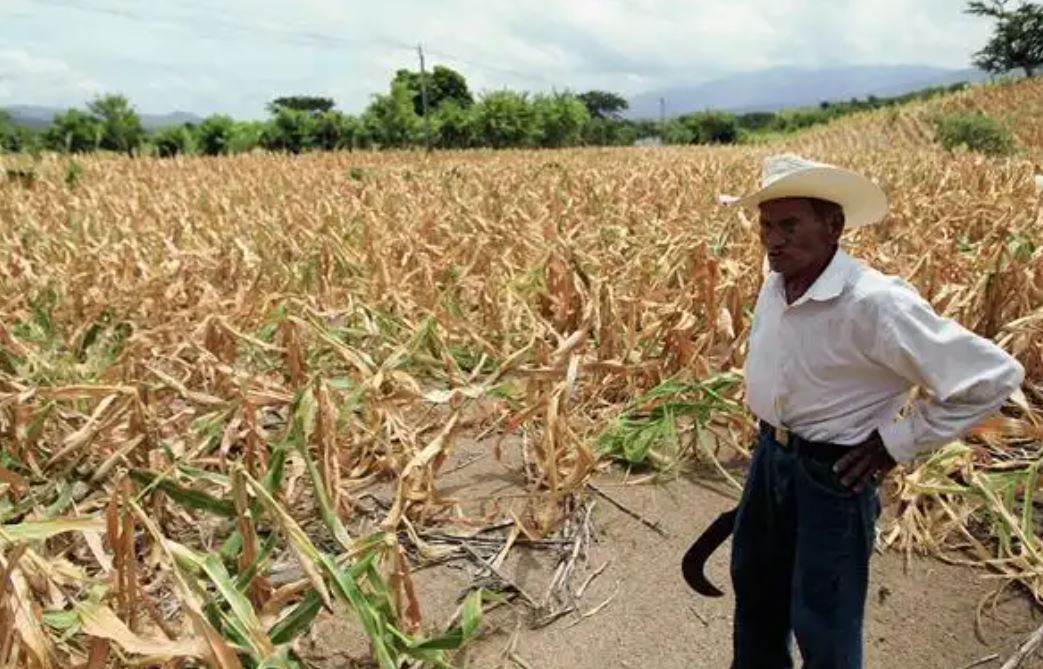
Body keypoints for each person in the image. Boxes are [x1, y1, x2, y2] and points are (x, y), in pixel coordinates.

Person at [719, 154, 1025, 669]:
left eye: (790, 226)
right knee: (756, 595)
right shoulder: (777, 283)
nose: (773, 241)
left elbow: (993, 377)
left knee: (823, 619)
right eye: (767, 226)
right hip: (770, 458)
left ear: (834, 226)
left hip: (832, 473)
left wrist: (895, 443)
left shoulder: (873, 303)